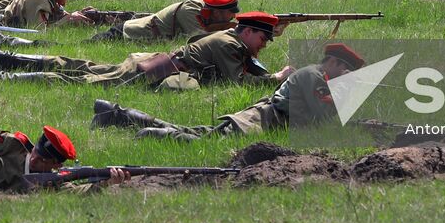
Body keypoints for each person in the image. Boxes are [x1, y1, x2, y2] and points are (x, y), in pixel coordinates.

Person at [93, 43, 366, 140]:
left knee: (197, 132)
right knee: (200, 140)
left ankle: (118, 114)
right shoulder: (313, 76)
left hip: (258, 119)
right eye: (346, 70)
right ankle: (149, 133)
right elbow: (320, 115)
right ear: (333, 63)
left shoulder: (316, 77)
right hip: (258, 121)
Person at [0, 11, 295, 90]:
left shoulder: (229, 38)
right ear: (248, 31)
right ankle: (7, 77)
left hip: (153, 63)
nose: (264, 44)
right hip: (154, 71)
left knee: (82, 66)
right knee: (82, 79)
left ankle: (8, 60)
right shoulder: (229, 44)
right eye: (263, 38)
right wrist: (276, 78)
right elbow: (236, 82)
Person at [0, 124, 127, 194]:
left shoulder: (51, 183)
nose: (34, 159)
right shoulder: (12, 145)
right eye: (36, 153)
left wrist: (108, 182)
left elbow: (78, 192)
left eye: (43, 160)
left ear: (56, 165)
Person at [88, 0, 241, 42]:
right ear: (217, 13)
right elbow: (200, 40)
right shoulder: (190, 10)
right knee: (90, 45)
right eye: (230, 12)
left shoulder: (209, 12)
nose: (233, 16)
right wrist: (233, 32)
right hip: (129, 33)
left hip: (140, 35)